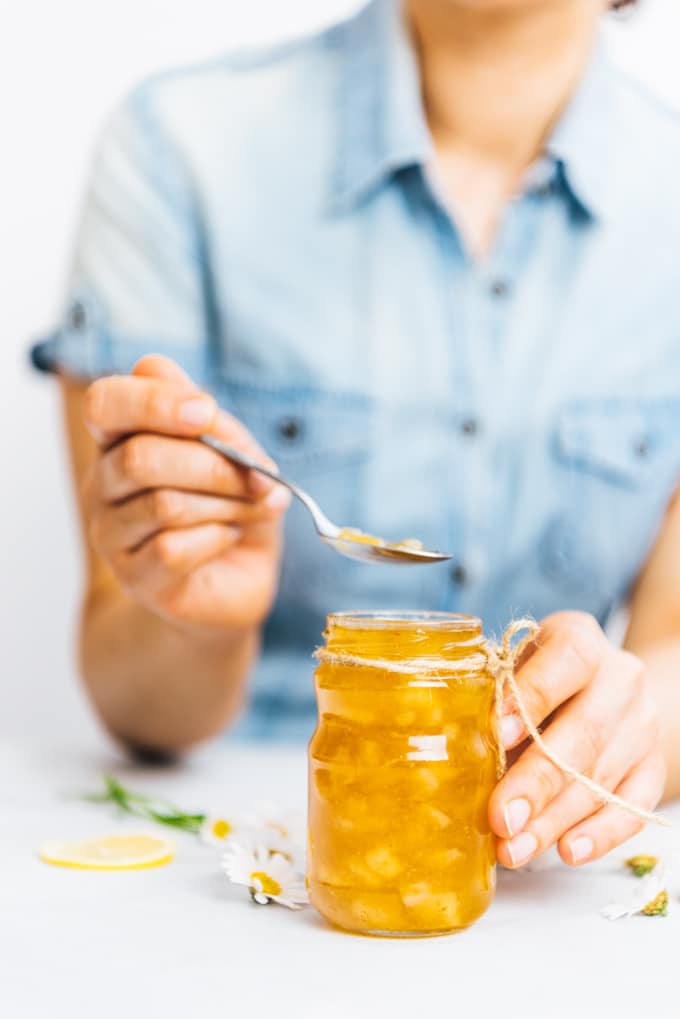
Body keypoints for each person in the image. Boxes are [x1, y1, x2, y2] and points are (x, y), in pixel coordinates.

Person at [33, 0, 680, 871]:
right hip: (241, 851)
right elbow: (138, 706)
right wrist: (192, 612)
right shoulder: (180, 148)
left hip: (546, 881)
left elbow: (669, 652)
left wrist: (635, 725)